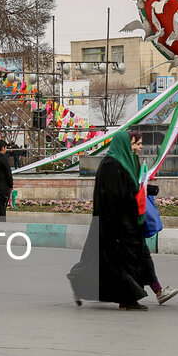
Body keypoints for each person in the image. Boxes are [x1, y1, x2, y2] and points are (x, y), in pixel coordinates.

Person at [68, 130, 159, 310]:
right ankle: (127, 299)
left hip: (128, 223)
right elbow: (116, 196)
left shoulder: (125, 162)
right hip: (115, 224)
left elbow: (131, 187)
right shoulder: (111, 165)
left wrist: (148, 191)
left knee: (108, 264)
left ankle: (81, 284)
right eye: (135, 143)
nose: (138, 148)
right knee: (119, 263)